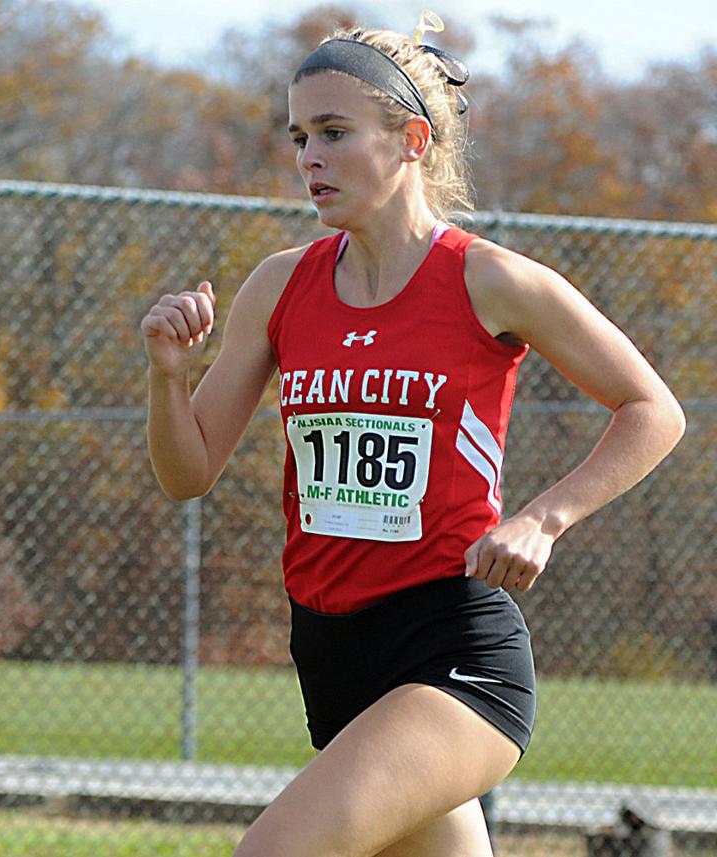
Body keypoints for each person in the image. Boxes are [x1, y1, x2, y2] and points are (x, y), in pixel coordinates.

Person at [140, 15, 685, 857]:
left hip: (451, 648)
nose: (308, 158)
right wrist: (169, 378)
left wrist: (544, 517)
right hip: (330, 650)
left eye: (332, 132)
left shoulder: (488, 279)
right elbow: (187, 473)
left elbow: (653, 409)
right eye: (298, 136)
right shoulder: (279, 286)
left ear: (411, 141)